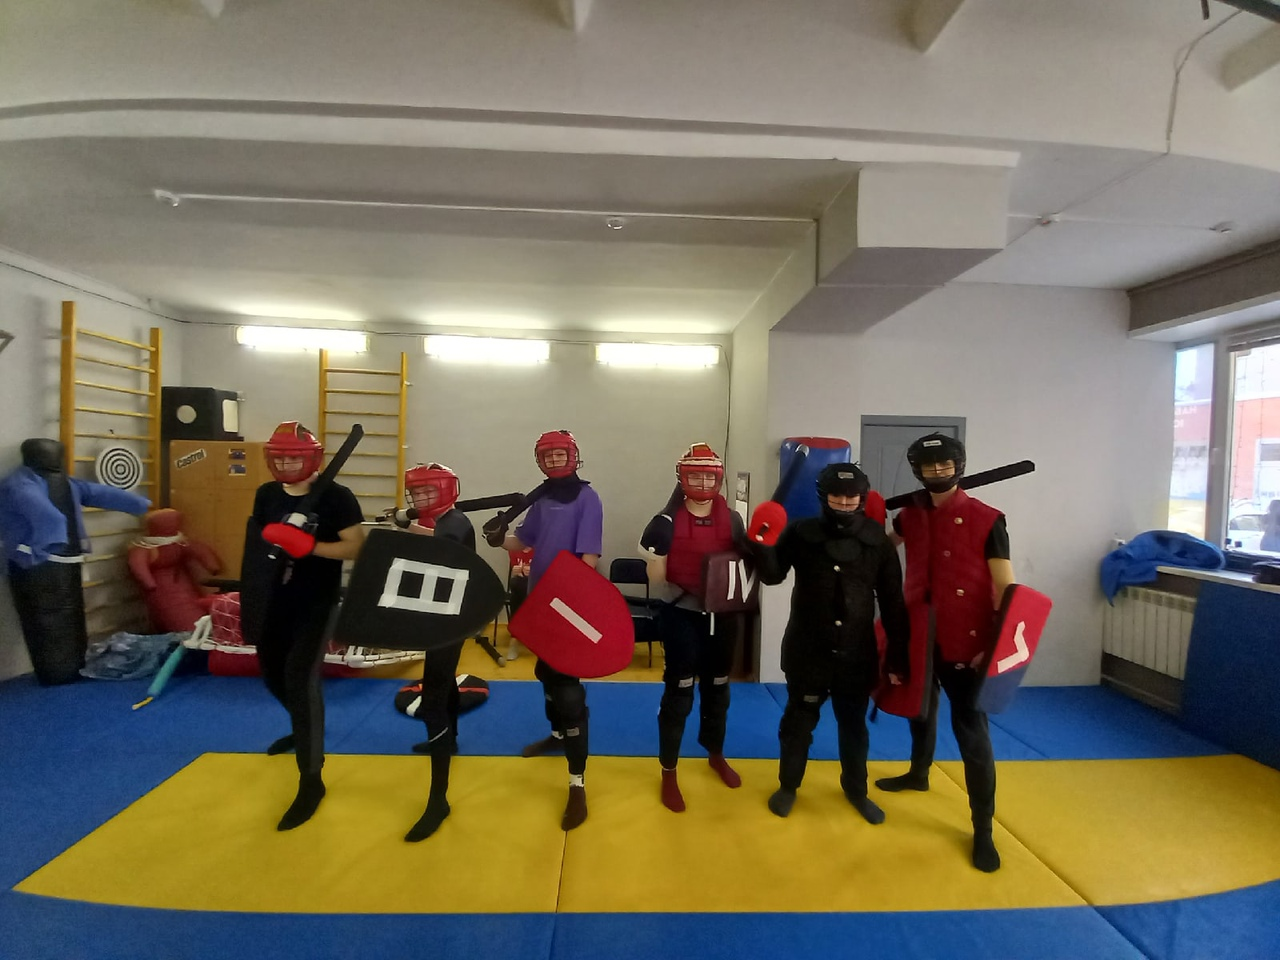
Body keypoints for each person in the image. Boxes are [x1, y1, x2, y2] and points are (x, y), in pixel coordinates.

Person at [874, 433, 1016, 873]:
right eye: (928, 465)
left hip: (968, 641)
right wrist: (865, 519)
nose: (937, 471)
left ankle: (983, 830)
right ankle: (919, 773)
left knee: (972, 734)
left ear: (959, 465)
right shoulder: (910, 516)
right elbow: (882, 548)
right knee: (920, 709)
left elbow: (1006, 589)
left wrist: (992, 647)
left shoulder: (987, 519)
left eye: (945, 464)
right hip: (918, 633)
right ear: (917, 469)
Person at [748, 462, 909, 824]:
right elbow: (772, 577)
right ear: (824, 496)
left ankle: (856, 791)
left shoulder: (877, 541)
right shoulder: (801, 533)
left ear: (862, 498)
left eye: (852, 497)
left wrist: (898, 657)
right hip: (808, 651)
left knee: (853, 727)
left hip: (857, 654)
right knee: (798, 724)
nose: (845, 503)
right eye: (838, 496)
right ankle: (788, 787)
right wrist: (761, 543)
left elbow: (893, 602)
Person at [252, 421, 365, 831]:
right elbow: (257, 543)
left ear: (312, 458)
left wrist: (311, 546)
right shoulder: (266, 494)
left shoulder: (336, 497)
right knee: (272, 675)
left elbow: (356, 546)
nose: (285, 464)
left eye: (293, 458)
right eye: (279, 457)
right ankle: (305, 728)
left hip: (316, 602)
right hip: (273, 600)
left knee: (301, 681)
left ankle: (311, 779)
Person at [492, 429, 603, 831]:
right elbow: (524, 540)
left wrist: (567, 596)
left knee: (568, 688)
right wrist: (497, 538)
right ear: (540, 460)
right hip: (541, 601)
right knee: (545, 672)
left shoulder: (588, 498)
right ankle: (557, 736)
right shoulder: (540, 500)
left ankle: (577, 783)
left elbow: (589, 558)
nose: (554, 460)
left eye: (560, 454)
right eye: (548, 455)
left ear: (573, 456)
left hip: (568, 604)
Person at [643, 443, 748, 812]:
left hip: (723, 617)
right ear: (682, 478)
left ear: (718, 478)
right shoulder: (665, 522)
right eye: (695, 475)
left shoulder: (733, 520)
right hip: (681, 614)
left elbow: (745, 566)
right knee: (679, 693)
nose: (703, 482)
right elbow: (656, 579)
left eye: (708, 476)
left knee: (718, 688)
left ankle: (715, 753)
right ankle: (669, 771)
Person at [0, 438, 151, 684]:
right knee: (47, 616)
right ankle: (58, 672)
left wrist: (139, 504)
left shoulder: (60, 484)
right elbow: (46, 513)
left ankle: (68, 668)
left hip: (55, 559)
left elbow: (97, 493)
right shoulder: (23, 484)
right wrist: (55, 538)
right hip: (36, 559)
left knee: (67, 613)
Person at [390, 462, 476, 842]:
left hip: (450, 619)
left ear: (445, 490)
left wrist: (404, 528)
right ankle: (451, 738)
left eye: (428, 491)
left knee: (434, 695)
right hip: (439, 614)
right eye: (417, 492)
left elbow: (438, 545)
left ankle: (438, 799)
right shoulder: (444, 520)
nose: (422, 498)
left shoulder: (455, 523)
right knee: (442, 679)